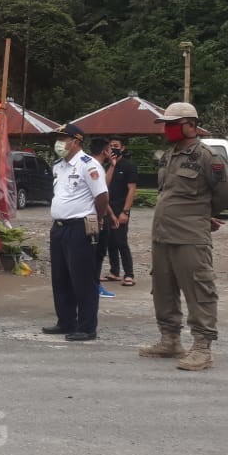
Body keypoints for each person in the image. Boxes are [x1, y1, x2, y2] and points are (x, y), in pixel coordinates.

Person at [141, 102, 228, 371]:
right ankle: (169, 340)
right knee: (163, 288)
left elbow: (224, 194)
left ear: (191, 125)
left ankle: (202, 349)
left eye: (173, 124)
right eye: (165, 125)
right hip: (162, 235)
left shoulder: (207, 157)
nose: (167, 130)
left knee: (199, 290)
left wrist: (202, 215)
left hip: (191, 236)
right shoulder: (168, 156)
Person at [42, 123, 110, 342]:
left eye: (63, 139)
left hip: (80, 226)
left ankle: (87, 326)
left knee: (82, 278)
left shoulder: (88, 165)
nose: (59, 143)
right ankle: (66, 321)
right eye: (58, 139)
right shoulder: (58, 166)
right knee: (60, 277)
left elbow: (101, 197)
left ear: (77, 141)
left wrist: (98, 219)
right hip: (59, 227)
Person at [103, 136, 138, 286]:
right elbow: (104, 185)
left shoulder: (129, 166)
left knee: (121, 241)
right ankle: (114, 272)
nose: (114, 149)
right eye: (111, 146)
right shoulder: (108, 166)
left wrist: (126, 211)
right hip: (107, 208)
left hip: (120, 208)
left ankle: (129, 274)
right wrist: (112, 165)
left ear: (122, 148)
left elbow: (132, 190)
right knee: (109, 241)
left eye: (116, 146)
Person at [88, 137, 117, 300]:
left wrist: (111, 214)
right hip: (94, 217)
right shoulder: (93, 166)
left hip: (96, 215)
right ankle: (93, 285)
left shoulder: (88, 164)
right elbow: (102, 192)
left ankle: (92, 284)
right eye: (109, 149)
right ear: (105, 151)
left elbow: (102, 194)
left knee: (94, 252)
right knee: (96, 252)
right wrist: (102, 217)